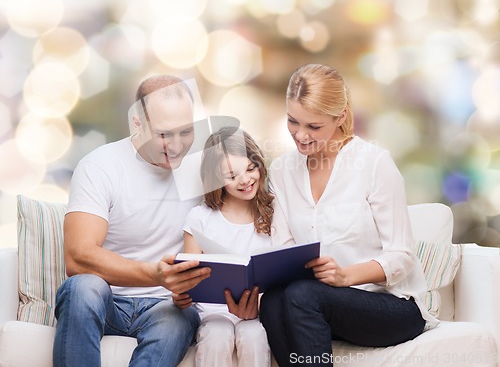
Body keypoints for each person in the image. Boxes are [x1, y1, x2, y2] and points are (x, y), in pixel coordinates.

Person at [259, 63, 438, 366]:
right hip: (316, 301)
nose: (300, 136)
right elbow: (284, 246)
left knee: (303, 295)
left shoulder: (373, 163)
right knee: (274, 300)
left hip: (391, 306)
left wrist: (344, 276)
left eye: (313, 127)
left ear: (340, 117)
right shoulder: (282, 171)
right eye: (293, 121)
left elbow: (402, 256)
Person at [53, 75, 211, 367]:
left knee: (179, 318)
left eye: (186, 132)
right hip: (107, 300)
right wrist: (155, 274)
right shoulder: (101, 166)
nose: (177, 146)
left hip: (168, 305)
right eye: (164, 134)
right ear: (137, 123)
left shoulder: (202, 170)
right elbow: (78, 258)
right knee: (82, 288)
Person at [174, 126, 273, 367]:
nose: (245, 180)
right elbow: (186, 276)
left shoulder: (273, 212)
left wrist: (259, 306)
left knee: (255, 335)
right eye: (231, 176)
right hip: (213, 313)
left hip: (258, 312)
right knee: (217, 334)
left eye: (251, 168)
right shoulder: (200, 218)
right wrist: (180, 296)